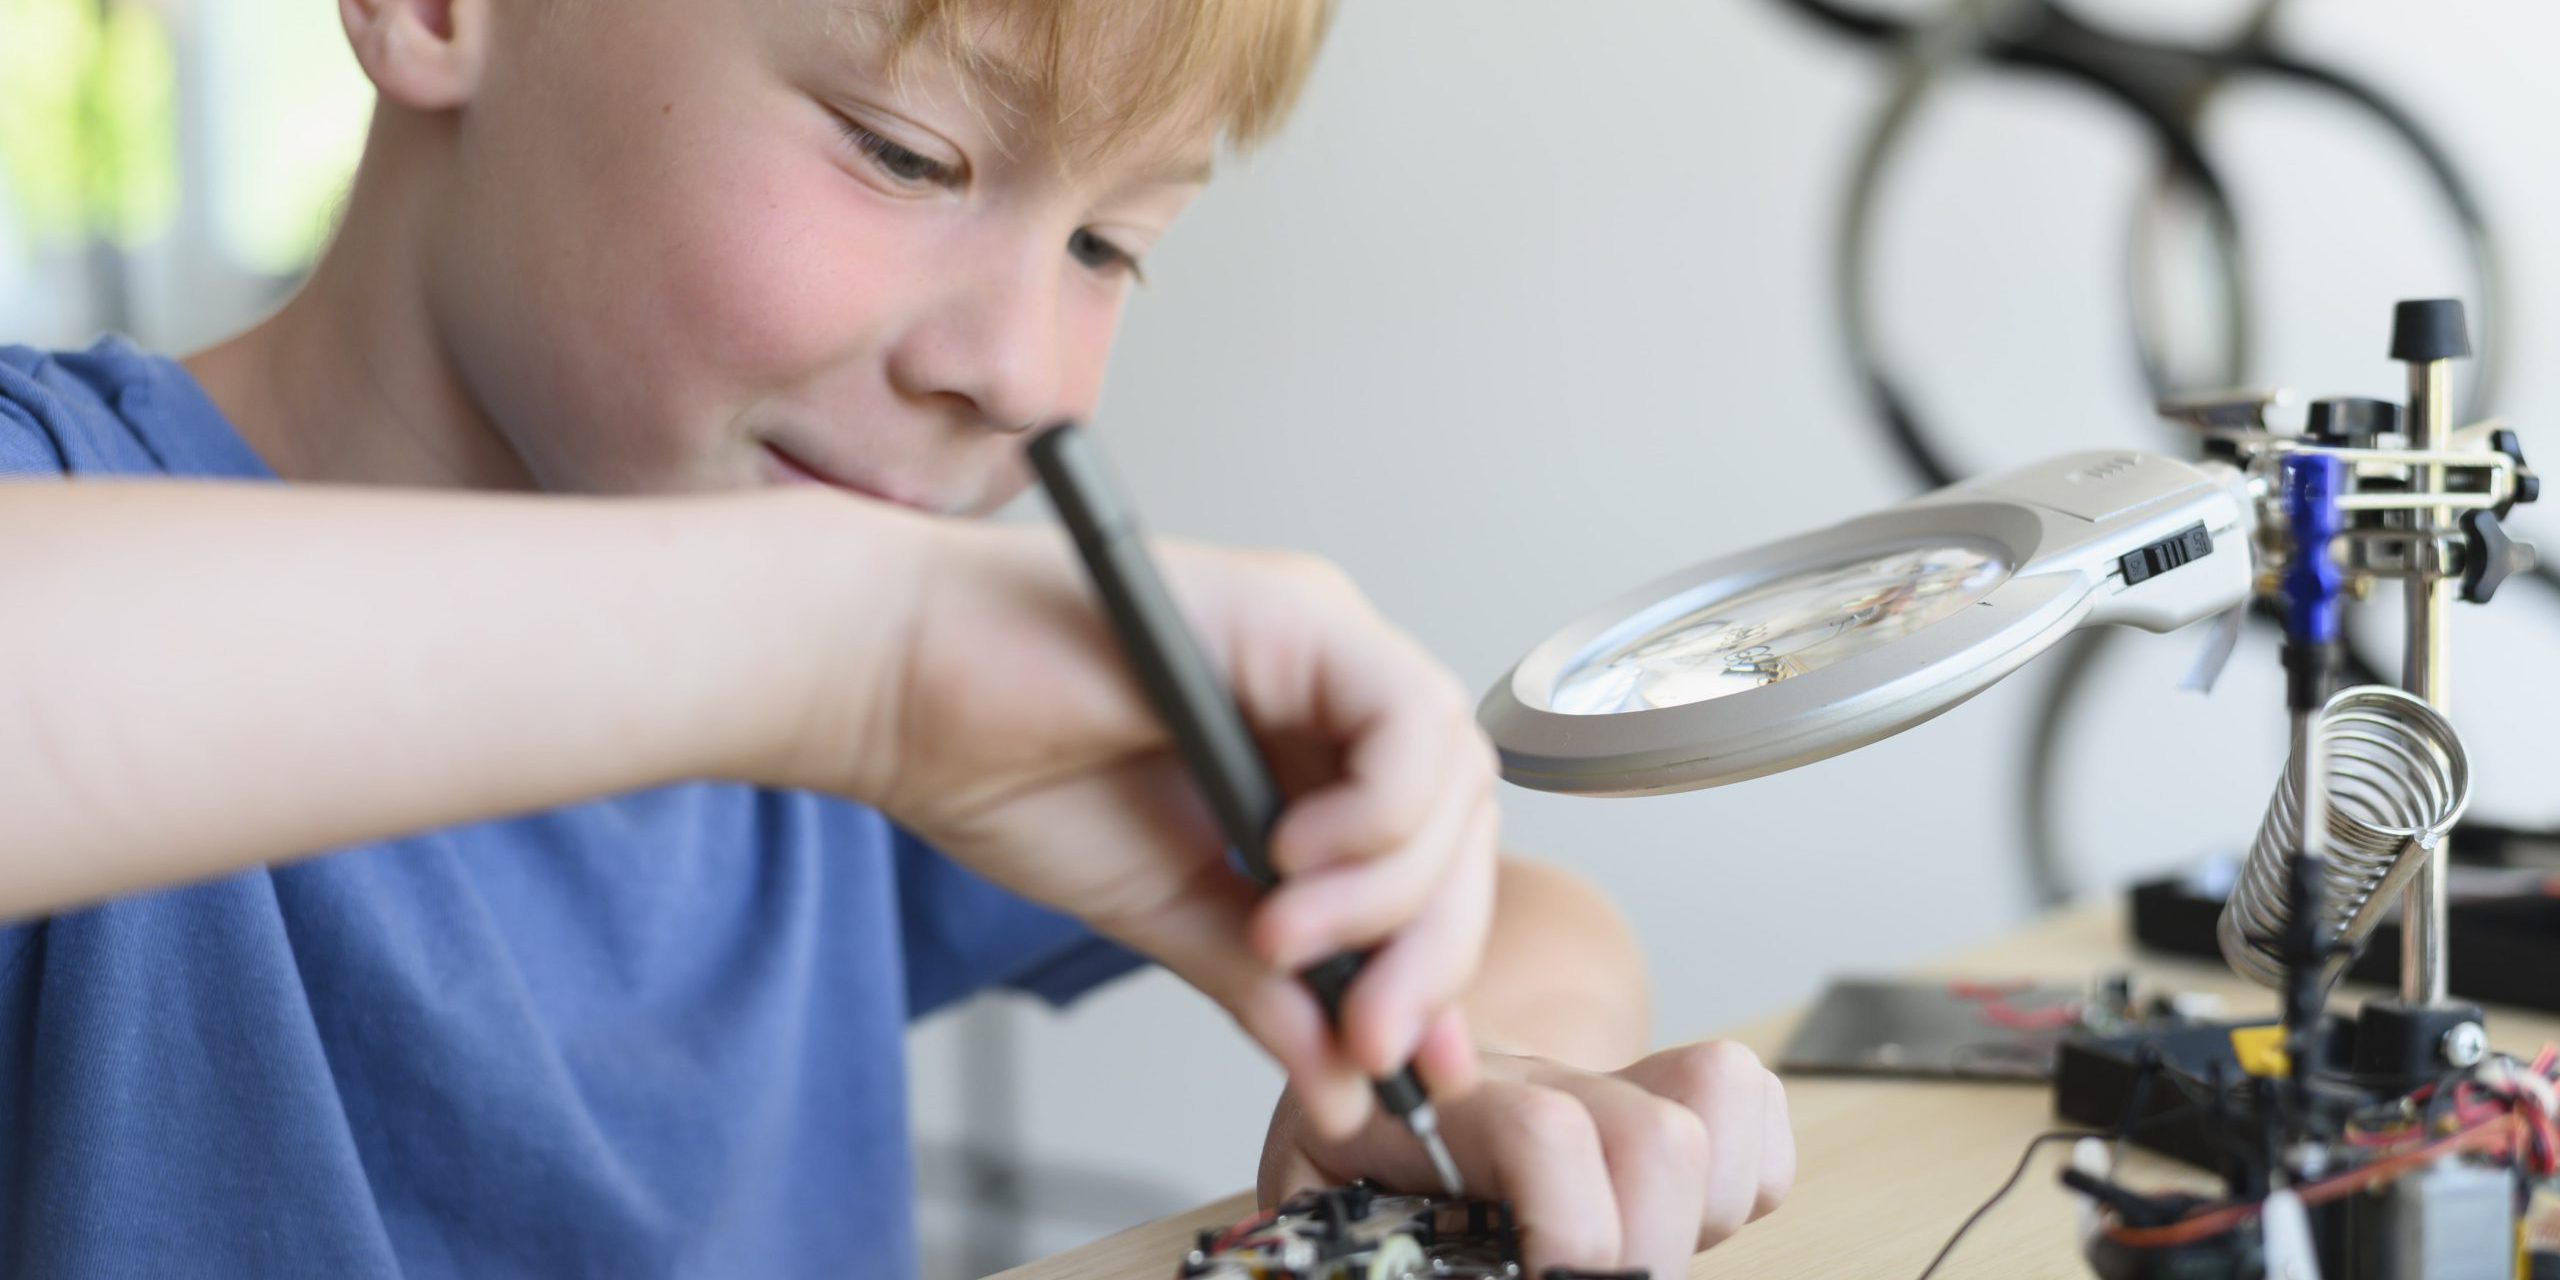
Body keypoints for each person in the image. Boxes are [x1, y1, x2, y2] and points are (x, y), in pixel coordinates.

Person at [0, 0, 1793, 1274]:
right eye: (904, 152)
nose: (1015, 373)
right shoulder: (61, 501)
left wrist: (1480, 1077)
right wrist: (845, 660)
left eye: (1109, 243)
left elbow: (1543, 919)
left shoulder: (856, 647)